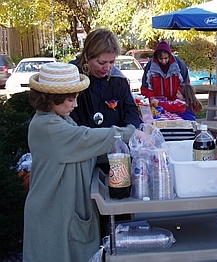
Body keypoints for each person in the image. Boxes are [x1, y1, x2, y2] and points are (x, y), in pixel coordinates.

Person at [22, 62, 136, 262]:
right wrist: (133, 134)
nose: (75, 104)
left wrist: (123, 153)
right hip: (52, 213)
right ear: (50, 99)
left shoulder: (60, 118)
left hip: (62, 210)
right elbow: (87, 139)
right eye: (70, 99)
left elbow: (86, 151)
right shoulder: (48, 126)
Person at [69, 28, 142, 136]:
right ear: (87, 57)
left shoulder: (118, 79)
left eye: (112, 62)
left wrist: (133, 130)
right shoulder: (71, 79)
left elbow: (130, 111)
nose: (107, 68)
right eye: (101, 62)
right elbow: (68, 119)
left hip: (117, 146)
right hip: (84, 145)